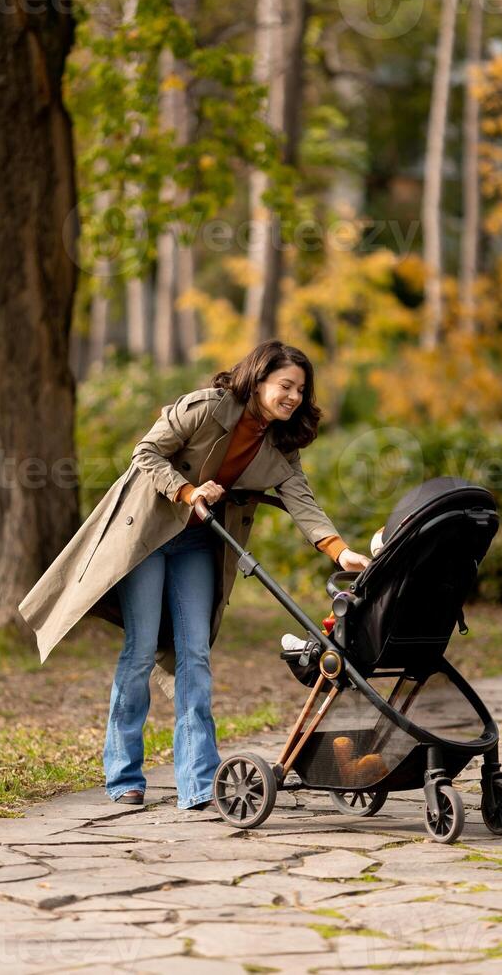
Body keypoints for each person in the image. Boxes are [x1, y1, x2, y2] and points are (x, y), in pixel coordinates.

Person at [104, 340, 371, 810]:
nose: (292, 396)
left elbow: (302, 501)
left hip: (197, 545)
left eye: (300, 390)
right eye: (285, 385)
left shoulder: (280, 445)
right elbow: (145, 454)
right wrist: (186, 490)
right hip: (148, 535)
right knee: (141, 651)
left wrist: (340, 551)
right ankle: (124, 775)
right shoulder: (205, 409)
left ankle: (199, 783)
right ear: (258, 380)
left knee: (195, 654)